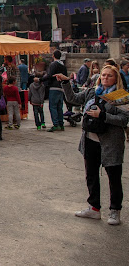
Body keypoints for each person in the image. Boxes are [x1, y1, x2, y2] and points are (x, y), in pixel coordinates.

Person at [56, 65, 127, 225]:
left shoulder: (120, 96)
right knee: (91, 175)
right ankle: (94, 208)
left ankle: (115, 210)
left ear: (116, 78)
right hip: (90, 140)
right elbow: (73, 99)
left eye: (110, 75)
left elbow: (124, 120)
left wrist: (102, 115)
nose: (106, 78)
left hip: (111, 143)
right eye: (103, 75)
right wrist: (66, 83)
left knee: (113, 177)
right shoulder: (91, 92)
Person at [43, 50, 68, 132]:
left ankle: (56, 124)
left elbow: (49, 75)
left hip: (53, 87)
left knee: (53, 106)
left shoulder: (53, 64)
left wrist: (41, 79)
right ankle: (61, 124)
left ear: (53, 55)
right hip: (61, 87)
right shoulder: (63, 66)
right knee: (59, 107)